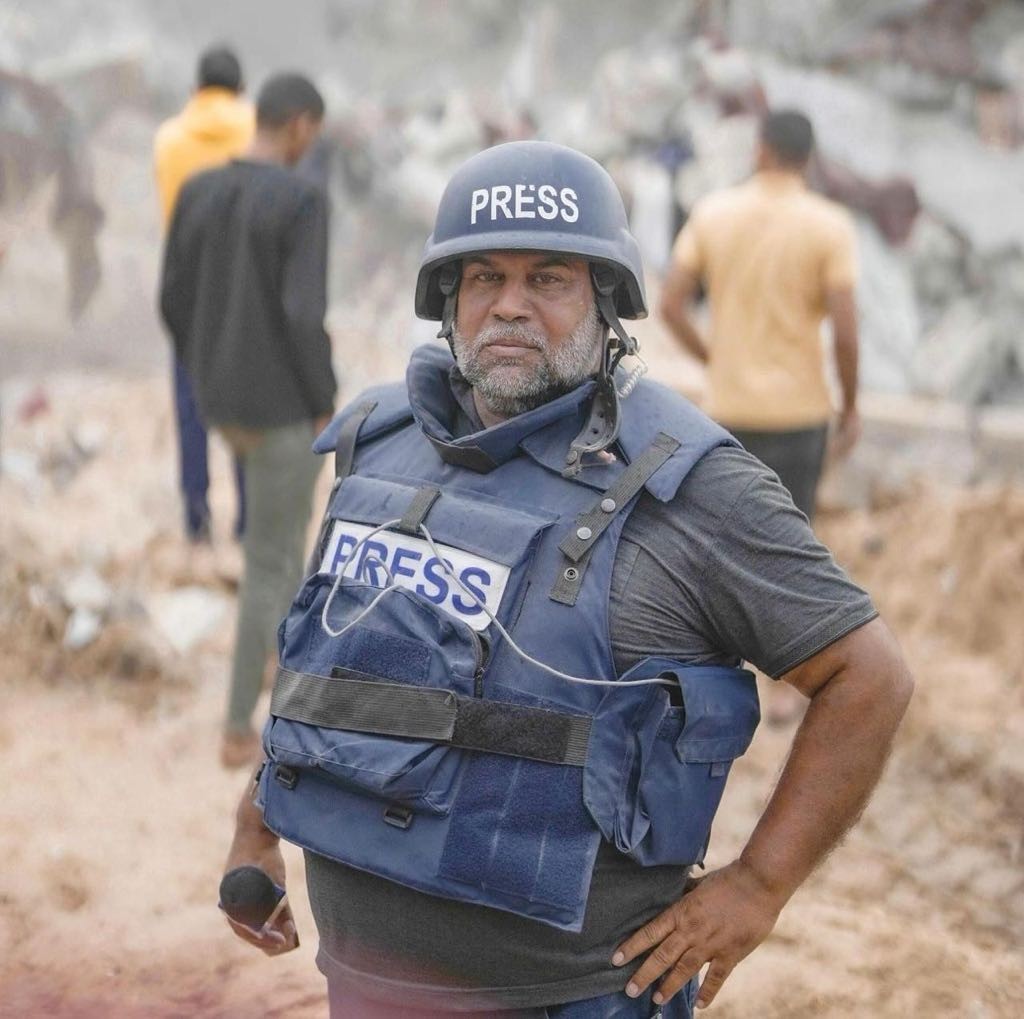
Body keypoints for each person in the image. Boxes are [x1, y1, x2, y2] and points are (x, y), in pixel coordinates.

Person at [222, 141, 912, 1017]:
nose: (510, 305)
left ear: (606, 301)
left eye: (548, 278)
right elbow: (332, 663)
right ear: (450, 299)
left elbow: (869, 677)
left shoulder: (694, 486)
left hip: (570, 995)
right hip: (365, 984)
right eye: (485, 277)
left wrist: (760, 884)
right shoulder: (380, 442)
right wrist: (256, 825)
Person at [160, 73, 336, 768]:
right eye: (312, 134)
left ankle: (274, 661)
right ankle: (239, 727)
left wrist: (207, 372)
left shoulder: (199, 189)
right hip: (282, 412)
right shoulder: (302, 201)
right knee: (274, 559)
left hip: (223, 407)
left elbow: (172, 299)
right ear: (300, 125)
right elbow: (303, 314)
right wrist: (324, 398)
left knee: (277, 548)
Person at [659, 109, 862, 524]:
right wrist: (851, 406)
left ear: (761, 150)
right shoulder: (830, 226)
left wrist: (714, 359)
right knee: (792, 539)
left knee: (724, 538)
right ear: (808, 158)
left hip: (729, 412)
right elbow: (845, 333)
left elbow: (671, 306)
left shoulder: (712, 213)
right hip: (800, 416)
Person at [155, 45, 254, 544]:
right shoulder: (255, 129)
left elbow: (169, 213)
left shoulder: (168, 139)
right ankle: (247, 523)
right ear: (241, 89)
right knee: (244, 406)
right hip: (245, 287)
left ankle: (197, 521)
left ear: (196, 89)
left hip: (190, 286)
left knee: (191, 407)